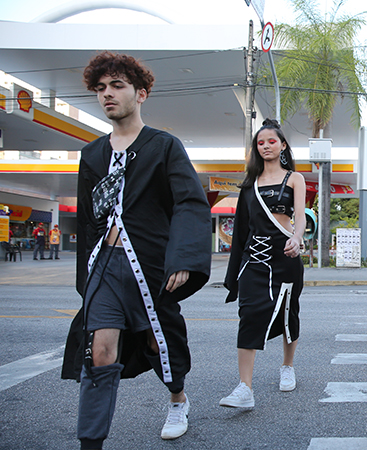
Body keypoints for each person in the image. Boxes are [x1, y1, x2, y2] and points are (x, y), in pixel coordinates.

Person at [61, 52, 211, 449]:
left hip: (149, 265)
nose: (107, 94)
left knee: (156, 340)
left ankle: (178, 399)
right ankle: (91, 442)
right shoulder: (91, 154)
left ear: (141, 93)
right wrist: (88, 276)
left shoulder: (164, 146)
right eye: (101, 88)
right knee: (101, 350)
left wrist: (182, 258)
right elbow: (90, 217)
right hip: (105, 266)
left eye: (117, 86)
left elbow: (189, 204)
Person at [221, 119, 306, 407]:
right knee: (249, 315)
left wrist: (297, 237)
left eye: (272, 141)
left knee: (287, 314)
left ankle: (287, 366)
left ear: (282, 145)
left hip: (285, 257)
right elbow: (243, 230)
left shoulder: (294, 178)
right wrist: (233, 272)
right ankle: (245, 388)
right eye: (261, 142)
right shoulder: (249, 186)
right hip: (253, 261)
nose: (266, 146)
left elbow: (301, 216)